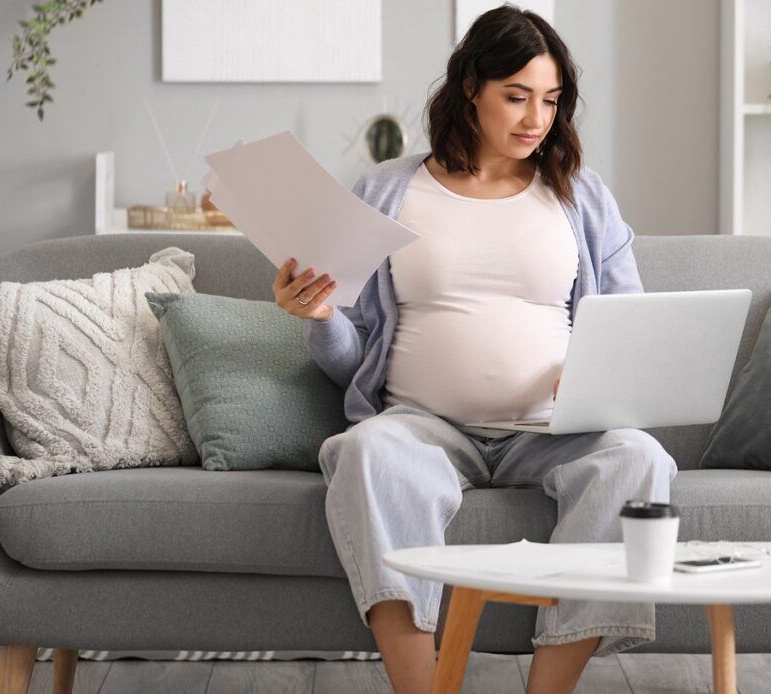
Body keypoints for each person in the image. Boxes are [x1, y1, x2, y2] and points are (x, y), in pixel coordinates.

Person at [273, 5, 677, 693]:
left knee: (638, 459)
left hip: (554, 432)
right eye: (516, 96)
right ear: (471, 89)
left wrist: (595, 374)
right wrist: (319, 315)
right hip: (424, 427)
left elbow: (631, 323)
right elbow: (351, 354)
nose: (535, 118)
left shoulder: (580, 197)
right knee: (367, 452)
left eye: (550, 100)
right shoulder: (389, 190)